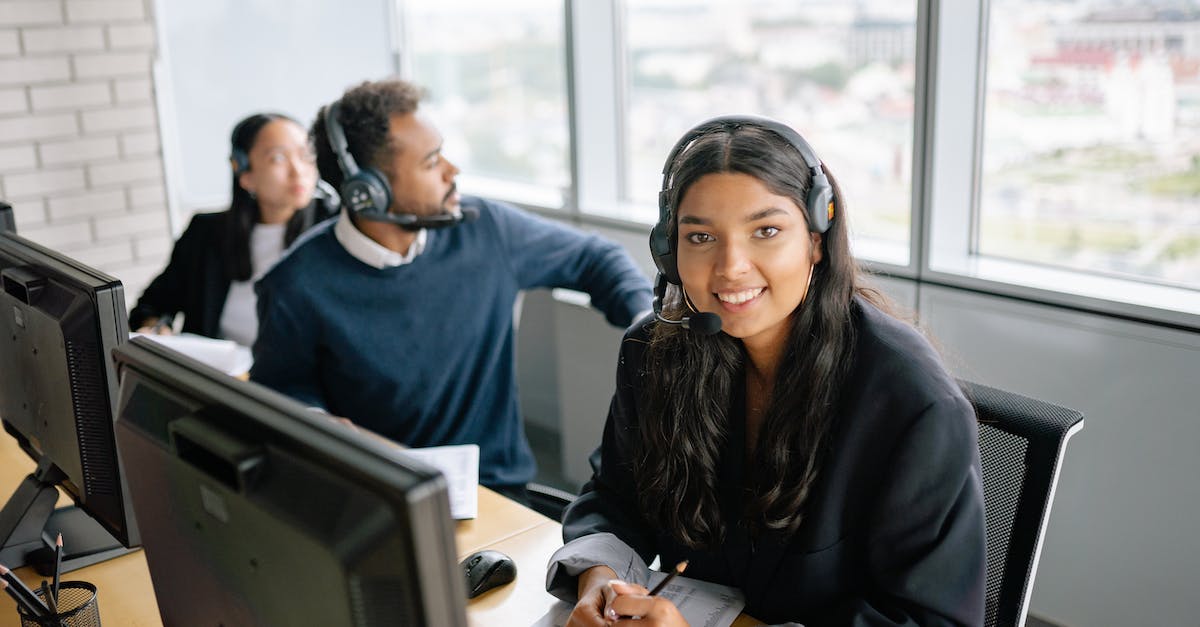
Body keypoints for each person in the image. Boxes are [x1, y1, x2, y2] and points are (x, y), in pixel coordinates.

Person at [545, 116, 985, 626]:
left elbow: (932, 621)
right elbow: (614, 498)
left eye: (766, 231)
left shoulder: (911, 401)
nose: (731, 266)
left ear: (816, 240)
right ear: (670, 253)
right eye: (701, 237)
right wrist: (601, 579)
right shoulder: (654, 351)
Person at [249, 79, 652, 500]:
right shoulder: (294, 285)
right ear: (368, 192)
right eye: (430, 162)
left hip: (498, 492)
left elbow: (596, 257)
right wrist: (315, 420)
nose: (452, 171)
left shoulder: (486, 228)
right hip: (380, 498)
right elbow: (281, 387)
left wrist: (645, 323)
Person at [129, 112, 336, 346]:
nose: (298, 171)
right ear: (244, 172)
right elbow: (151, 306)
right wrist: (156, 327)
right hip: (221, 377)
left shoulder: (336, 231)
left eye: (305, 155)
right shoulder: (205, 233)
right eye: (278, 158)